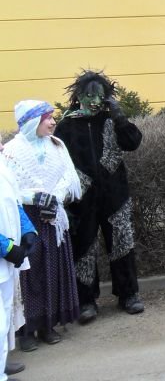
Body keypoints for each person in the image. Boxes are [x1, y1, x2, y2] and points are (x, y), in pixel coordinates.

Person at [54, 71, 144, 323]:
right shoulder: (67, 125)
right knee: (83, 249)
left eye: (99, 96)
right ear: (79, 96)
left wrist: (119, 116)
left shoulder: (112, 120)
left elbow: (133, 142)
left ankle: (129, 295)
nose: (94, 101)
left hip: (115, 196)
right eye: (88, 95)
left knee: (122, 245)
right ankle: (86, 302)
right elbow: (58, 164)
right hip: (82, 200)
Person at [2, 101, 81, 352]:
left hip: (53, 219)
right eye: (47, 117)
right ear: (31, 122)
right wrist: (35, 198)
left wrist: (55, 196)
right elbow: (9, 187)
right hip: (27, 221)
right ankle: (26, 329)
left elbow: (70, 176)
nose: (53, 122)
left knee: (53, 269)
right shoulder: (12, 151)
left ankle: (48, 324)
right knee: (29, 273)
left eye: (52, 117)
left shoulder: (57, 145)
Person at [0, 136, 38, 380]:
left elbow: (15, 203)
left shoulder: (3, 167)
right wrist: (5, 247)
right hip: (5, 253)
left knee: (4, 314)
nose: (2, 145)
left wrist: (28, 231)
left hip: (8, 260)